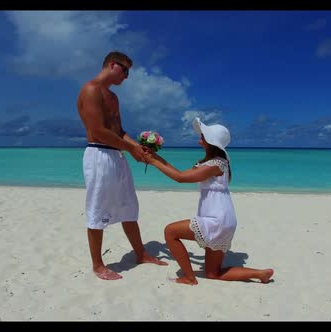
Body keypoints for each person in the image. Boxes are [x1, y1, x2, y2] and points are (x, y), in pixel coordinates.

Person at [143, 118, 274, 285]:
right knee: (213, 274)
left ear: (211, 142)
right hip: (224, 218)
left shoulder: (216, 164)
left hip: (216, 218)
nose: (200, 137)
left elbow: (180, 178)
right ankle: (260, 274)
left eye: (203, 135)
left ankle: (190, 278)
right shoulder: (216, 162)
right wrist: (155, 158)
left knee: (170, 232)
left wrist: (153, 161)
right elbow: (180, 173)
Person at [76, 50, 167, 280]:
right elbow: (98, 131)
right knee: (97, 209)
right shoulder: (91, 89)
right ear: (112, 65)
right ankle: (98, 265)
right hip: (99, 154)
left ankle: (141, 253)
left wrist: (137, 147)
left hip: (117, 156)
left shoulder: (113, 97)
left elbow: (118, 131)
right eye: (125, 70)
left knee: (129, 207)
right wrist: (130, 149)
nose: (126, 76)